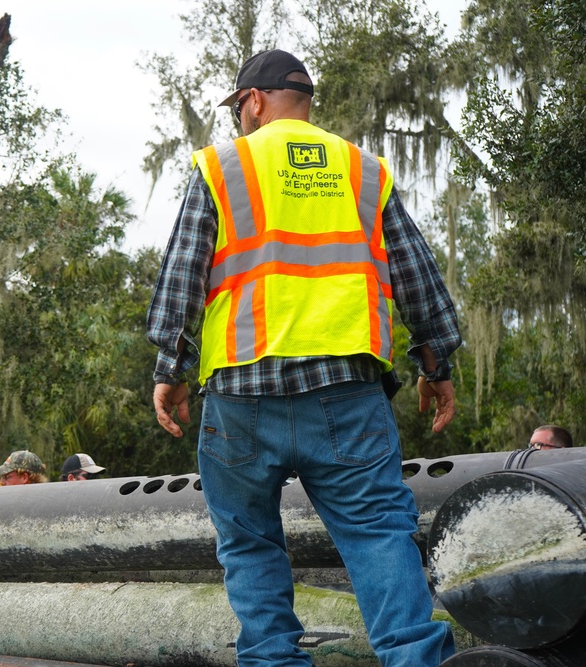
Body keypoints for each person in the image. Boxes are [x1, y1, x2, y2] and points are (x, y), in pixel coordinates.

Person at [147, 49, 460, 667]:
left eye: (239, 106)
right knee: (378, 536)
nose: (239, 118)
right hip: (347, 394)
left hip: (241, 397)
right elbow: (419, 279)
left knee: (250, 544)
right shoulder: (362, 171)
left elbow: (183, 275)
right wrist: (435, 367)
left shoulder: (222, 166)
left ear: (255, 100)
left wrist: (170, 371)